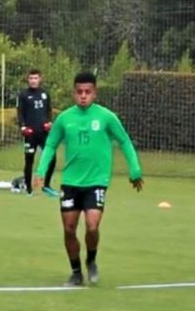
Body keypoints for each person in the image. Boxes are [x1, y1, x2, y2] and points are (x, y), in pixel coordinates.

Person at [34, 72, 143, 287]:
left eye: (87, 92)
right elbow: (50, 145)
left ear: (95, 93)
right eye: (79, 92)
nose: (83, 96)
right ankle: (76, 273)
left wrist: (135, 170)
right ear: (74, 93)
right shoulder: (65, 118)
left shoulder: (106, 117)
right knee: (69, 229)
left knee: (92, 226)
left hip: (96, 181)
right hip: (71, 182)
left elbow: (124, 141)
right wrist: (41, 170)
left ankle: (91, 260)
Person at [17, 69, 57, 197]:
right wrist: (23, 127)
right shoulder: (23, 94)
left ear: (40, 79)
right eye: (31, 78)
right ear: (28, 80)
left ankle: (46, 185)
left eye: (35, 78)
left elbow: (49, 110)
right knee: (29, 160)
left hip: (43, 133)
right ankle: (29, 188)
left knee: (52, 158)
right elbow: (20, 112)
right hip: (30, 134)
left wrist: (49, 122)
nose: (33, 81)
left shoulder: (45, 94)